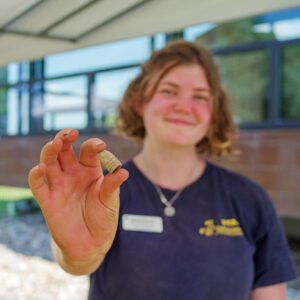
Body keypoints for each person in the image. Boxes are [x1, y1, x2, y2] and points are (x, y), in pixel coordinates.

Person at [28, 40, 298, 300]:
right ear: (140, 102)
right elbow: (79, 262)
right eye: (168, 91)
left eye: (200, 96)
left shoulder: (249, 199)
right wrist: (77, 254)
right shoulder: (105, 192)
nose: (183, 106)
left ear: (214, 113)